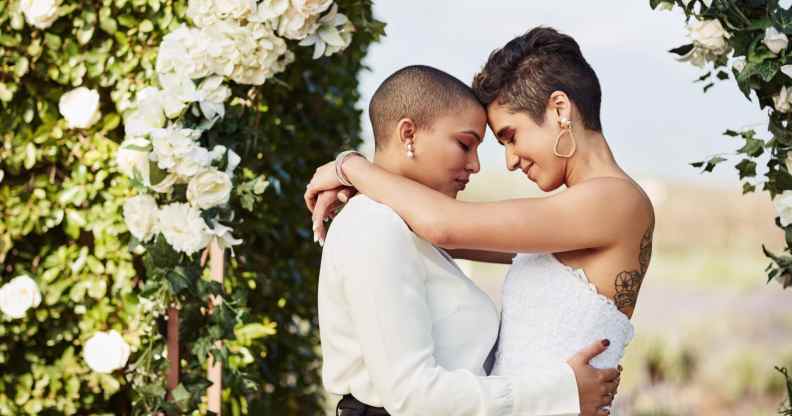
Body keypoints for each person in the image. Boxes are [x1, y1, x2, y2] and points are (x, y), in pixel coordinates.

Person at [308, 27, 652, 415]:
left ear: (559, 110)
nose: (508, 160)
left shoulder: (615, 200)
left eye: (510, 136)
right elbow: (438, 234)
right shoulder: (572, 215)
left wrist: (351, 167)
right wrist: (370, 188)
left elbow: (447, 226)